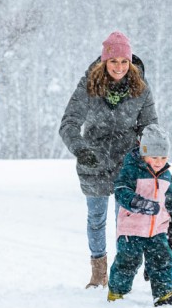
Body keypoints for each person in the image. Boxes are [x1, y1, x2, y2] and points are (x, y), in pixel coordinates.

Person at [59, 31, 157, 289]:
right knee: (96, 218)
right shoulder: (88, 86)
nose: (119, 67)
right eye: (114, 61)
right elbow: (68, 124)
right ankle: (97, 273)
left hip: (127, 163)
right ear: (105, 61)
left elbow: (150, 127)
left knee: (124, 220)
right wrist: (81, 149)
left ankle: (119, 273)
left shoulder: (141, 90)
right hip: (94, 160)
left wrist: (146, 152)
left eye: (124, 62)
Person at [107, 124, 172, 306]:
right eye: (154, 157)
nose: (159, 162)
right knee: (128, 263)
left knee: (162, 260)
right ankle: (117, 292)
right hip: (131, 230)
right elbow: (121, 190)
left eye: (163, 157)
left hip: (157, 229)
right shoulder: (131, 169)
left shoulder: (165, 175)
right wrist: (138, 203)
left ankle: (164, 294)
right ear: (143, 153)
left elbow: (169, 196)